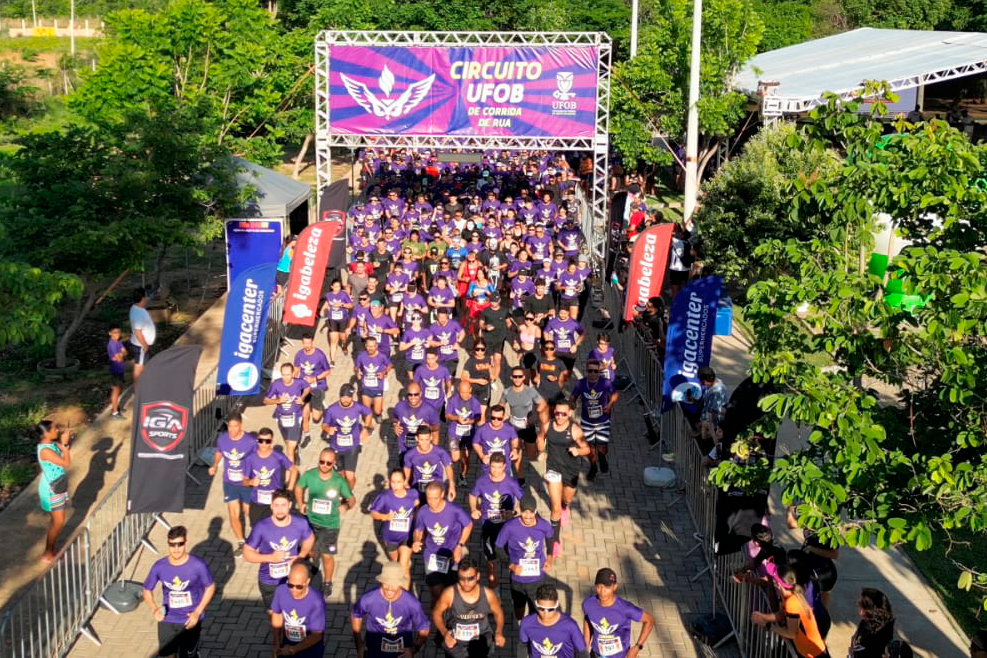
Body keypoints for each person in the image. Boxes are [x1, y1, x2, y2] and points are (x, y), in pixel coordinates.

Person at [142, 526, 216, 658]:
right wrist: (154, 609)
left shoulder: (197, 565)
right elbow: (147, 589)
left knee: (187, 655)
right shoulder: (160, 566)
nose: (176, 549)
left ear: (185, 542)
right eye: (172, 545)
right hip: (168, 618)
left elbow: (210, 587)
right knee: (166, 655)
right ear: (168, 544)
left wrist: (197, 612)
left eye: (180, 544)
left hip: (190, 619)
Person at [294, 448, 355, 601]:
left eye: (329, 463)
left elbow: (352, 499)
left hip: (330, 524)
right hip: (312, 521)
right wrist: (300, 503)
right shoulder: (310, 475)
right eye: (322, 462)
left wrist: (346, 506)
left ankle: (327, 582)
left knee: (327, 556)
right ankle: (315, 560)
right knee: (312, 551)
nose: (324, 465)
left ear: (334, 464)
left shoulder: (339, 481)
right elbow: (299, 487)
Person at [243, 489, 314, 613]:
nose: (280, 509)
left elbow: (310, 538)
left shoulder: (300, 523)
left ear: (290, 505)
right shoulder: (261, 527)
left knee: (294, 614)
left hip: (293, 581)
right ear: (271, 506)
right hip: (269, 581)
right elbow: (247, 553)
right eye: (276, 505)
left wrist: (301, 556)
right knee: (274, 615)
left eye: (283, 505)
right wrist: (270, 557)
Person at [537, 398, 590, 557]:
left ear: (569, 414)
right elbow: (541, 438)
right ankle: (555, 542)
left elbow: (587, 449)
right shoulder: (548, 426)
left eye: (563, 414)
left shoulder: (575, 430)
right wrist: (542, 448)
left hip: (571, 471)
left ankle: (565, 506)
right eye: (557, 413)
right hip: (553, 470)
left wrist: (578, 452)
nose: (559, 417)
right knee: (555, 509)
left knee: (565, 500)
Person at [431, 556, 507, 657]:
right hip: (456, 645)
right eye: (462, 579)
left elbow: (498, 613)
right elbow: (437, 613)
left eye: (470, 578)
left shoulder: (488, 595)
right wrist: (444, 633)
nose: (466, 583)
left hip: (481, 642)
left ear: (478, 576)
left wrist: (498, 631)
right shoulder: (449, 594)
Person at [351, 561, 431, 658]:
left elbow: (424, 628)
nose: (389, 588)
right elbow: (356, 615)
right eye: (386, 582)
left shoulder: (412, 603)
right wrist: (359, 646)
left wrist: (413, 650)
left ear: (400, 583)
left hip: (401, 653)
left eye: (394, 584)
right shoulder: (368, 599)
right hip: (373, 651)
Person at [412, 482, 474, 605]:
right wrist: (416, 541)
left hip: (452, 554)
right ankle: (437, 614)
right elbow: (418, 530)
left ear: (442, 495)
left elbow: (468, 525)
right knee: (436, 590)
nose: (432, 501)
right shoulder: (423, 511)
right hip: (432, 555)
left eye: (435, 498)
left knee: (452, 589)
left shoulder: (454, 510)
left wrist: (460, 545)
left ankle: (451, 616)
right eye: (429, 498)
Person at [495, 494, 555, 621]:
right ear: (520, 511)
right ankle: (521, 625)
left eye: (531, 513)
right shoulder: (510, 527)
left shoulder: (544, 526)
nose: (527, 517)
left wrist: (549, 559)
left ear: (536, 511)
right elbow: (498, 547)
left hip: (537, 578)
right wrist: (511, 566)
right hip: (517, 578)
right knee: (519, 608)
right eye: (524, 513)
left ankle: (532, 633)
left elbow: (551, 542)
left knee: (536, 610)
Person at [208, 410, 257, 558]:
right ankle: (242, 542)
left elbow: (257, 458)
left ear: (241, 425)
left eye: (235, 426)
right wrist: (215, 465)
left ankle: (257, 539)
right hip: (229, 482)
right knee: (233, 513)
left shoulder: (250, 441)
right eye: (229, 426)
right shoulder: (223, 439)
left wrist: (254, 477)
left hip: (246, 482)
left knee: (250, 513)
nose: (232, 430)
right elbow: (219, 452)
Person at [751, 563, 827, 658]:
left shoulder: (791, 603)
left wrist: (767, 625)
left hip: (812, 654)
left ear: (778, 584)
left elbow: (792, 633)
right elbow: (782, 614)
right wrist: (763, 617)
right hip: (807, 650)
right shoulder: (789, 595)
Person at [469, 452, 523, 588]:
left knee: (512, 559)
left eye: (499, 467)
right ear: (489, 466)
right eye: (493, 467)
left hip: (507, 528)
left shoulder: (511, 483)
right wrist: (473, 509)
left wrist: (515, 512)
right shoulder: (481, 481)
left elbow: (523, 501)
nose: (496, 471)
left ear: (505, 466)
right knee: (491, 561)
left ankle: (515, 586)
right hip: (488, 526)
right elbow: (472, 495)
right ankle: (495, 591)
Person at [582, 568, 654, 658]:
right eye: (599, 586)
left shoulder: (625, 608)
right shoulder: (588, 604)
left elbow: (649, 620)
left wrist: (637, 647)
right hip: (596, 654)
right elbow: (588, 620)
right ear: (595, 586)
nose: (603, 591)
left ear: (615, 587)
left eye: (607, 587)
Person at [370, 468, 419, 586]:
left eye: (398, 482)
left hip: (406, 537)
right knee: (396, 565)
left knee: (403, 569)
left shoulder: (413, 494)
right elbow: (373, 513)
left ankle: (404, 598)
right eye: (393, 482)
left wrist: (416, 521)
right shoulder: (385, 496)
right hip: (390, 537)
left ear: (404, 481)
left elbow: (417, 505)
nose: (395, 485)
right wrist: (385, 516)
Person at [571, 358, 619, 481]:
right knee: (590, 447)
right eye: (590, 371)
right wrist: (572, 404)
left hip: (603, 420)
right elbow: (573, 397)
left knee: (602, 446)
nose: (592, 374)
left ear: (599, 371)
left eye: (595, 371)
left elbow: (615, 394)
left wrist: (610, 405)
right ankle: (593, 466)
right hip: (587, 421)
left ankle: (602, 457)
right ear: (586, 371)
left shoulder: (605, 383)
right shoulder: (581, 383)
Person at [321, 383, 372, 491]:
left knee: (350, 476)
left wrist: (366, 428)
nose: (345, 400)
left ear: (352, 397)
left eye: (348, 397)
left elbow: (368, 413)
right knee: (340, 474)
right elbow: (324, 424)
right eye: (343, 397)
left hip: (352, 447)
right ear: (339, 396)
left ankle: (348, 495)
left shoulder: (357, 407)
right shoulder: (332, 409)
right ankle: (341, 491)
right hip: (336, 447)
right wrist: (328, 429)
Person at [243, 427, 298, 527]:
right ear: (257, 441)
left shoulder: (278, 456)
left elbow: (293, 470)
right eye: (261, 441)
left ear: (271, 441)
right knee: (256, 529)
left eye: (267, 441)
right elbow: (244, 480)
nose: (263, 444)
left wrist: (290, 489)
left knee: (276, 529)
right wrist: (250, 482)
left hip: (275, 502)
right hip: (257, 501)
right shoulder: (250, 458)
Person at [500, 366, 549, 474]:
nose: (517, 379)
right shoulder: (507, 392)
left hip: (528, 427)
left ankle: (542, 445)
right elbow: (501, 406)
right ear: (511, 377)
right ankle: (520, 476)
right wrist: (503, 415)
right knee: (516, 451)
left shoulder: (530, 391)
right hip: (513, 427)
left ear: (524, 377)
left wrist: (534, 416)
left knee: (531, 457)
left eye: (520, 376)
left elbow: (543, 404)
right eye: (515, 376)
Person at [270, 561, 325, 657]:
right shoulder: (281, 591)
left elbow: (317, 634)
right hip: (287, 645)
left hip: (310, 649)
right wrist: (276, 643)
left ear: (307, 582)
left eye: (299, 586)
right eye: (290, 585)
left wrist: (294, 649)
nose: (294, 590)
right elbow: (277, 614)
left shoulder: (316, 601)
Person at [36, 420, 71, 563]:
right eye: (55, 428)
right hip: (52, 490)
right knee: (58, 522)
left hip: (58, 486)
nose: (57, 430)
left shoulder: (52, 445)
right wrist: (65, 445)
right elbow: (66, 463)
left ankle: (50, 550)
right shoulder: (45, 450)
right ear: (47, 433)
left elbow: (63, 453)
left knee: (56, 521)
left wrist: (64, 444)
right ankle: (47, 553)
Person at [519, 584, 586, 658]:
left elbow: (582, 652)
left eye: (550, 609)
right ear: (536, 604)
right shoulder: (526, 623)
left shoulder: (570, 626)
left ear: (556, 604)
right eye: (541, 608)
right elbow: (522, 646)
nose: (545, 613)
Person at [264, 362, 309, 466]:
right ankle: (295, 451)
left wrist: (302, 398)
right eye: (283, 374)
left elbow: (307, 387)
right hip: (281, 418)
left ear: (293, 373)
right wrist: (278, 400)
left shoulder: (299, 383)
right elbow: (265, 400)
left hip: (295, 417)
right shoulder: (276, 384)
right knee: (288, 444)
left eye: (288, 374)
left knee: (289, 449)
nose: (285, 377)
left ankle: (290, 476)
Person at [293, 333, 331, 445]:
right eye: (305, 343)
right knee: (304, 414)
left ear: (312, 342)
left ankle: (322, 405)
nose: (307, 345)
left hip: (317, 386)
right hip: (304, 388)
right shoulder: (299, 355)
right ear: (302, 343)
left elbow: (328, 371)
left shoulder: (319, 355)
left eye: (309, 343)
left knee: (316, 417)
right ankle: (307, 436)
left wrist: (315, 378)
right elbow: (296, 370)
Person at [444, 378, 482, 484]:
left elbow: (478, 417)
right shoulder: (453, 400)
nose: (464, 395)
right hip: (454, 434)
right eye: (461, 392)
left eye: (466, 392)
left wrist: (470, 421)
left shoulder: (475, 402)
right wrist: (457, 418)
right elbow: (447, 415)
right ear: (458, 389)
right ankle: (457, 456)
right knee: (455, 458)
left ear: (470, 389)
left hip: (468, 434)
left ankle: (462, 476)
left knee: (466, 457)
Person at [404, 426, 456, 501]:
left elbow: (448, 467)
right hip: (418, 489)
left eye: (427, 439)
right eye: (421, 440)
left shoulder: (440, 452)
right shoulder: (410, 455)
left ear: (431, 437)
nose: (424, 443)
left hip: (436, 489)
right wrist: (406, 483)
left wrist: (451, 485)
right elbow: (407, 468)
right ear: (416, 438)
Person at [392, 382, 442, 458]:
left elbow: (437, 428)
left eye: (416, 394)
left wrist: (429, 427)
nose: (413, 397)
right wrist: (395, 426)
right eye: (410, 394)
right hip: (404, 447)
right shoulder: (400, 406)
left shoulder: (429, 409)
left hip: (422, 448)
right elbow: (395, 418)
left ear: (421, 394)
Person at [355, 336, 392, 428]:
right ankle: (369, 426)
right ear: (365, 346)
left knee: (377, 410)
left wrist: (384, 373)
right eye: (369, 346)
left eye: (373, 346)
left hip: (378, 387)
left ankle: (378, 414)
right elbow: (356, 367)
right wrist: (357, 373)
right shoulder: (361, 356)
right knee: (366, 410)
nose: (371, 348)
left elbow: (389, 365)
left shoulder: (382, 356)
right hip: (366, 386)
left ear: (376, 346)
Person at [849, 589, 895, 658]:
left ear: (867, 610)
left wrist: (851, 654)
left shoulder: (875, 640)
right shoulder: (866, 622)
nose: (857, 604)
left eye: (859, 603)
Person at [320, 278, 353, 362]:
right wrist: (322, 309)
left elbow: (350, 305)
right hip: (332, 319)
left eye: (339, 286)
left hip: (343, 319)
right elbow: (327, 302)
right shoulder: (328, 295)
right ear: (332, 287)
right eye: (336, 286)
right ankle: (332, 361)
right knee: (333, 340)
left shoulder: (344, 294)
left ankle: (344, 345)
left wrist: (342, 304)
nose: (338, 288)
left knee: (342, 337)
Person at [129, 286, 157, 384]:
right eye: (146, 296)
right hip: (141, 346)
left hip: (141, 345)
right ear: (143, 298)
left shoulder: (136, 308)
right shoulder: (138, 314)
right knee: (139, 367)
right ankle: (138, 390)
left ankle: (145, 385)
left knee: (144, 365)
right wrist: (144, 345)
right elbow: (138, 332)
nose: (147, 298)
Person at [543, 307, 584, 374]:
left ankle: (567, 382)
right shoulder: (552, 322)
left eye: (565, 313)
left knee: (568, 372)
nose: (563, 315)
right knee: (554, 371)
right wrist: (548, 343)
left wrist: (576, 345)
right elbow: (545, 332)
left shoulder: (573, 322)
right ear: (558, 312)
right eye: (561, 313)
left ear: (568, 313)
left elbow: (583, 333)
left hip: (570, 351)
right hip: (556, 350)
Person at [531, 341, 568, 407]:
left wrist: (556, 378)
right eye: (546, 348)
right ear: (543, 349)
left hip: (554, 391)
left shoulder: (559, 362)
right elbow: (538, 372)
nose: (549, 351)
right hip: (542, 390)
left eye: (551, 349)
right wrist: (537, 377)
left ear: (555, 349)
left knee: (552, 411)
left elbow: (565, 375)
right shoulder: (540, 360)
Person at [107, 325, 127, 419]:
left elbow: (125, 352)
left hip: (120, 369)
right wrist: (120, 355)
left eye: (119, 332)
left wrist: (120, 355)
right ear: (110, 333)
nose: (117, 334)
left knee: (121, 388)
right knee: (115, 390)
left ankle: (116, 407)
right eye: (115, 332)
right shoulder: (112, 344)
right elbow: (118, 359)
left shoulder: (118, 342)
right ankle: (114, 413)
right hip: (115, 370)